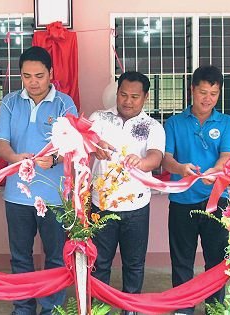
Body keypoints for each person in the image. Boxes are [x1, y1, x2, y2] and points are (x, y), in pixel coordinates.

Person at [0, 46, 77, 315]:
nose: (33, 82)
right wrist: (15, 157)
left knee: (55, 257)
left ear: (51, 73)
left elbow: (74, 145)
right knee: (20, 257)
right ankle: (23, 308)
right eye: (27, 76)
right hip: (17, 196)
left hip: (53, 196)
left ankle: (52, 309)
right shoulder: (9, 102)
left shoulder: (65, 104)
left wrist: (54, 160)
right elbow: (1, 143)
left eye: (40, 75)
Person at [161, 65, 230, 315]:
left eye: (214, 94)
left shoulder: (226, 123)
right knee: (182, 259)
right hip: (182, 201)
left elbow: (227, 155)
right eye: (203, 92)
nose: (208, 99)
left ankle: (215, 307)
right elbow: (166, 158)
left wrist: (215, 171)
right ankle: (183, 307)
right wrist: (180, 168)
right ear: (192, 89)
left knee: (216, 259)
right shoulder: (174, 123)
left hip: (217, 201)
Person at [90, 71, 165, 315]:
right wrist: (93, 145)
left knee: (134, 264)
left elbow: (156, 157)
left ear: (145, 97)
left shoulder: (152, 126)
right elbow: (82, 143)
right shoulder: (99, 118)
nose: (127, 101)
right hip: (100, 206)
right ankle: (98, 308)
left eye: (134, 96)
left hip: (136, 207)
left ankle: (130, 309)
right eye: (123, 94)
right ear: (117, 92)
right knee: (100, 263)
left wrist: (143, 162)